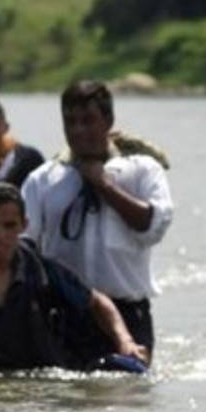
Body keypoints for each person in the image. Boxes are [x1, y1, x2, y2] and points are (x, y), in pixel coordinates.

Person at [0, 184, 149, 371]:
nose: (0, 235)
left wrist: (124, 341)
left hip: (39, 389)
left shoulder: (45, 273)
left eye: (9, 226)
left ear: (24, 226)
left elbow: (98, 303)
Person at [20, 80, 174, 359]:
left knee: (128, 396)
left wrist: (104, 185)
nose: (79, 130)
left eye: (88, 121)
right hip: (65, 313)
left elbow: (153, 226)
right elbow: (24, 247)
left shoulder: (141, 170)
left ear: (108, 120)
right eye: (71, 122)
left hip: (128, 312)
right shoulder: (43, 180)